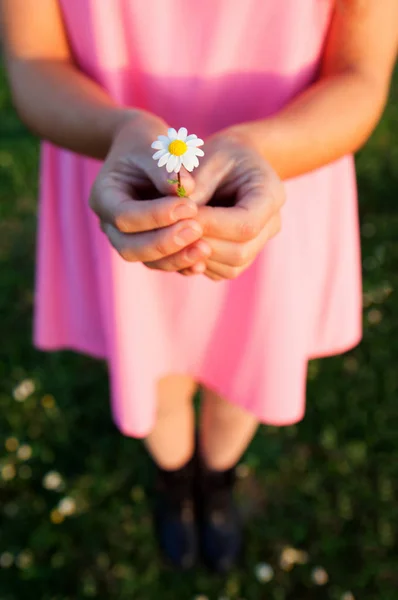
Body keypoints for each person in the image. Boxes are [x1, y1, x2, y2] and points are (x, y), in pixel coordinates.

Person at [1, 0, 397, 573]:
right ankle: (173, 478)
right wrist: (120, 130)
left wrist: (264, 149)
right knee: (153, 373)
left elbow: (358, 74)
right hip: (122, 178)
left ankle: (215, 481)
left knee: (244, 369)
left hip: (280, 177)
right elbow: (35, 58)